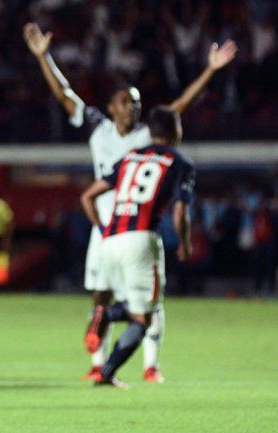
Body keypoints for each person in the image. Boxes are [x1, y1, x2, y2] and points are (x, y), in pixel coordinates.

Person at [23, 22, 236, 382]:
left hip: (119, 228)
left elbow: (179, 107)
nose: (132, 107)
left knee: (139, 299)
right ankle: (101, 365)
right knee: (115, 297)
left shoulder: (147, 138)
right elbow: (64, 93)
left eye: (136, 102)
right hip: (111, 229)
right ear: (110, 107)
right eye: (125, 101)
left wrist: (209, 71)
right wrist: (44, 57)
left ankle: (149, 365)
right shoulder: (98, 127)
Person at [80, 105, 195, 388]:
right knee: (145, 317)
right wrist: (185, 243)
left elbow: (87, 196)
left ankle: (105, 317)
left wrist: (103, 229)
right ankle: (107, 366)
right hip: (142, 241)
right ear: (176, 131)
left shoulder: (130, 157)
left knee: (135, 306)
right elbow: (180, 212)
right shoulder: (180, 161)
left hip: (111, 240)